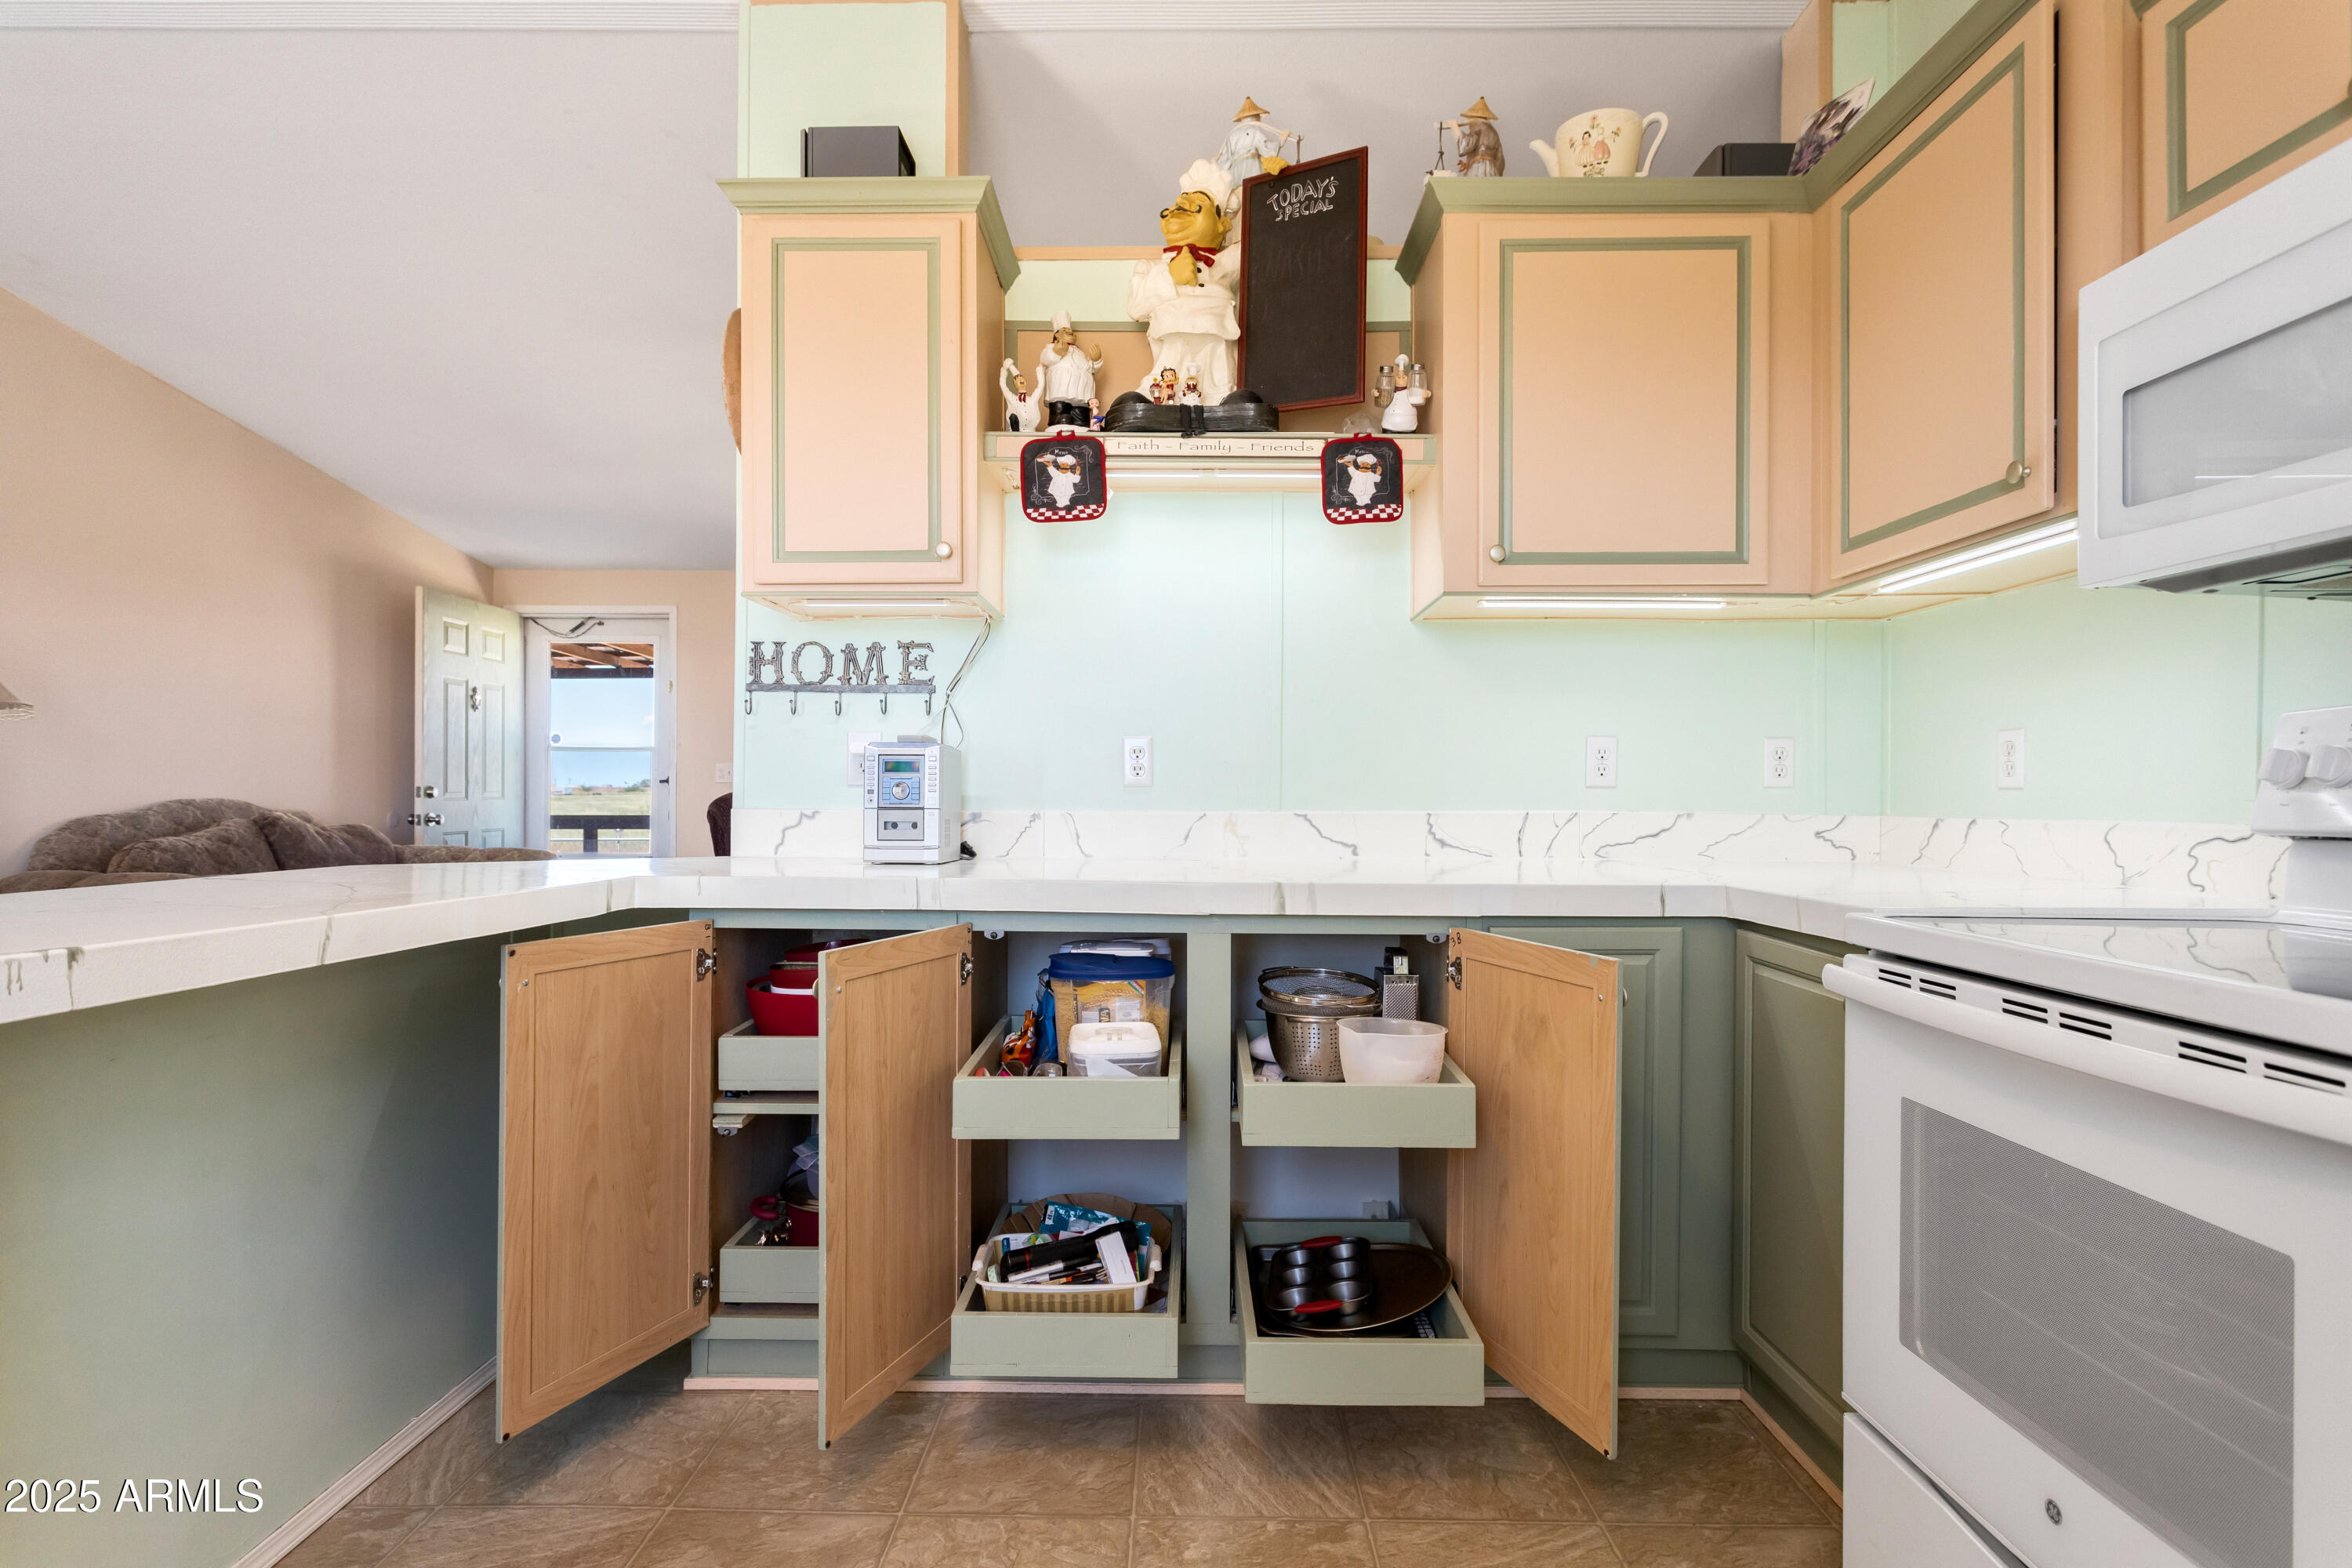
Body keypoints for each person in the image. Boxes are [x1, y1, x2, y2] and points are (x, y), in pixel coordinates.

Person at [1129, 159, 1240, 405]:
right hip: (1171, 335)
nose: (1181, 205)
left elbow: (1258, 239)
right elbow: (1136, 307)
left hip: (1215, 333)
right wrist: (1170, 275)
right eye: (1180, 202)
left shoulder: (1225, 263)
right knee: (1167, 372)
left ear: (1223, 224)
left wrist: (1274, 184)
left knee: (1219, 372)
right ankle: (1159, 400)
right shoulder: (1150, 268)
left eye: (1197, 204)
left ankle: (1221, 399)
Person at [1215, 97, 1294, 197]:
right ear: (1256, 117)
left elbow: (1225, 160)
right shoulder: (1255, 130)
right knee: (1255, 190)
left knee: (1238, 192)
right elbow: (1267, 149)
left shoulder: (1232, 135)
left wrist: (1216, 164)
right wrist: (1281, 141)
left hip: (1236, 171)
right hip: (1252, 166)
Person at [1036, 311, 1103, 430]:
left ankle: (1082, 424)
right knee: (1061, 410)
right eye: (1065, 331)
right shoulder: (1051, 348)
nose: (1070, 333)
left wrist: (1095, 360)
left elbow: (1090, 369)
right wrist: (1056, 353)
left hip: (1081, 392)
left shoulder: (1079, 352)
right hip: (1060, 390)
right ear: (1057, 335)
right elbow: (1045, 359)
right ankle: (1058, 422)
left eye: (1071, 332)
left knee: (1081, 415)